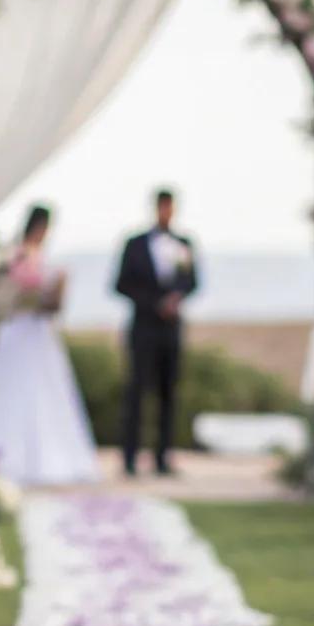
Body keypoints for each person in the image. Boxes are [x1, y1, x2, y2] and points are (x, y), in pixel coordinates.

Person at [0, 204, 98, 487]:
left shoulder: (37, 257)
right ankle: (14, 456)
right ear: (38, 226)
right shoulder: (17, 256)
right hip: (19, 332)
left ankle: (40, 456)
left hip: (39, 334)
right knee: (18, 390)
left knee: (45, 390)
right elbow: (9, 295)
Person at [115, 188, 198, 476]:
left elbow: (192, 281)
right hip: (143, 327)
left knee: (168, 393)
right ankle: (129, 458)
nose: (167, 212)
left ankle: (163, 457)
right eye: (163, 207)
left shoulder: (185, 243)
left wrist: (176, 298)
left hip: (171, 330)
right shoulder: (134, 244)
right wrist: (154, 303)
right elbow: (121, 284)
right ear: (155, 208)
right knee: (136, 392)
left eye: (170, 207)